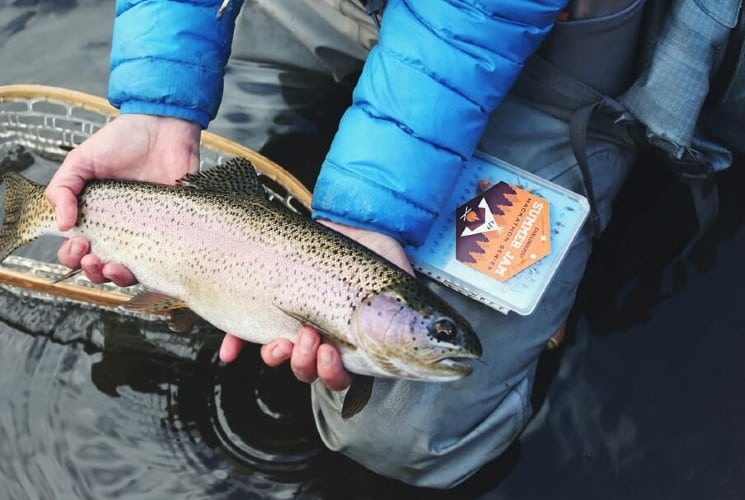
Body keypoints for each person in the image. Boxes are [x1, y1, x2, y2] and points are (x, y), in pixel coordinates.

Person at [44, 0, 647, 489]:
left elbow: (466, 27)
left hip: (526, 41)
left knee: (402, 434)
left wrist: (369, 214)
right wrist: (158, 101)